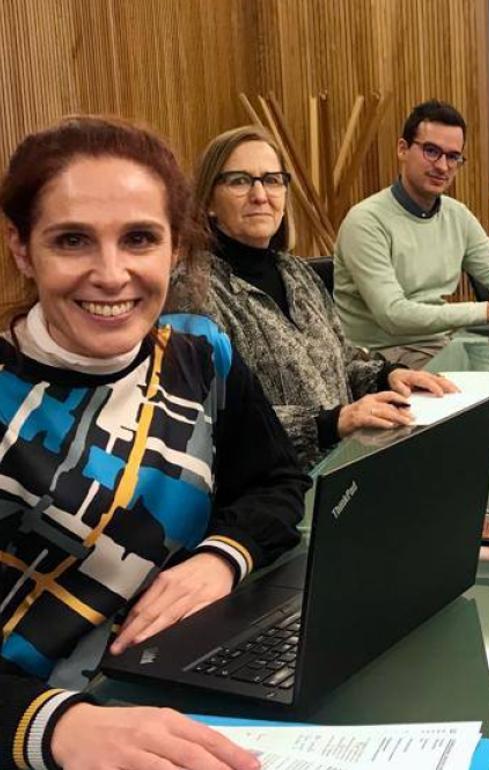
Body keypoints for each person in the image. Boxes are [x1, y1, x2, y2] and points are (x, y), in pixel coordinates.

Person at [0, 116, 307, 770]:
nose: (111, 275)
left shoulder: (202, 355)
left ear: (176, 248)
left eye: (139, 238)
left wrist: (223, 557)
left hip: (187, 683)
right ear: (22, 248)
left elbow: (277, 485)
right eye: (72, 241)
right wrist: (52, 727)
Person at [169, 126, 457, 469]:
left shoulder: (297, 273)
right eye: (240, 181)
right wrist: (329, 424)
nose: (260, 195)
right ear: (209, 201)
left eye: (272, 180)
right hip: (273, 491)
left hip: (344, 468)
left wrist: (387, 376)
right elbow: (210, 420)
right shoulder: (191, 291)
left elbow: (341, 361)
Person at [334, 100, 489, 368]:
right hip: (381, 359)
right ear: (402, 149)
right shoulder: (365, 221)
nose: (442, 166)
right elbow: (393, 315)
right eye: (431, 151)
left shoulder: (457, 215)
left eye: (453, 156)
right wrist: (487, 310)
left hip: (439, 345)